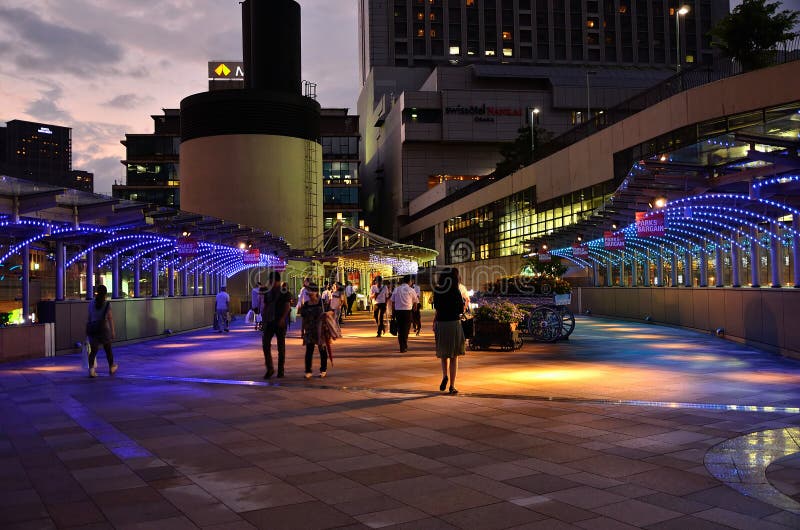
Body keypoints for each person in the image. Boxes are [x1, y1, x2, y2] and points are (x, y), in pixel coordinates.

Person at [433, 268, 466, 394]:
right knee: (454, 355)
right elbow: (460, 309)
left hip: (441, 323)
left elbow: (436, 306)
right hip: (453, 323)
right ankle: (452, 386)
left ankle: (444, 375)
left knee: (443, 354)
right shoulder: (455, 291)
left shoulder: (437, 290)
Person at [262, 271, 292, 379]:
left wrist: (283, 319)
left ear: (275, 281)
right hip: (269, 322)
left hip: (280, 322)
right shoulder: (268, 292)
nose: (270, 283)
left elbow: (287, 306)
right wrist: (264, 319)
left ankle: (280, 370)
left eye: (271, 281)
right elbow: (265, 306)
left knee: (281, 347)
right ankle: (270, 369)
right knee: (265, 345)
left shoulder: (285, 292)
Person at [86, 284, 117, 378]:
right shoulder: (107, 304)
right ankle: (111, 367)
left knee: (93, 351)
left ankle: (91, 370)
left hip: (93, 328)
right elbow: (110, 318)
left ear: (97, 292)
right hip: (104, 329)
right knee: (108, 350)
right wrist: (113, 331)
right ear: (105, 293)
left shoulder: (91, 303)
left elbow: (89, 317)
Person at [299, 283, 328, 379]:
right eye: (308, 292)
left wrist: (320, 336)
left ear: (316, 292)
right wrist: (302, 330)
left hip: (320, 329)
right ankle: (308, 371)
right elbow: (304, 318)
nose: (309, 294)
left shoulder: (321, 304)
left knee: (322, 350)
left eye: (311, 291)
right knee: (309, 350)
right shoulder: (306, 305)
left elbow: (321, 320)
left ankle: (323, 369)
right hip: (309, 330)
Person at [390, 275, 419, 353]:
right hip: (407, 312)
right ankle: (404, 345)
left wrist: (393, 312)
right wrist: (415, 309)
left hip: (398, 311)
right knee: (406, 329)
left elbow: (392, 302)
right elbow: (416, 301)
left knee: (400, 329)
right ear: (409, 281)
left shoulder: (396, 289)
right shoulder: (411, 290)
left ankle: (402, 346)